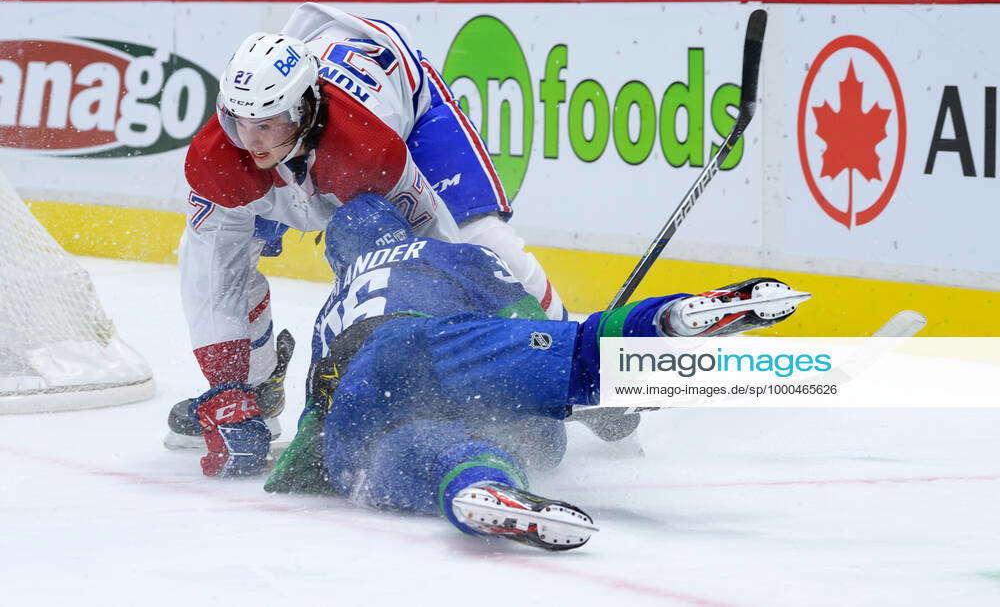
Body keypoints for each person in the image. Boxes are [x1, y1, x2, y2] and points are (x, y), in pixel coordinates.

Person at [187, 195, 810, 551]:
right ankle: (665, 323)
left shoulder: (339, 294)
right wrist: (582, 395)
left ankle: (474, 485)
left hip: (362, 371)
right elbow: (525, 321)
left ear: (340, 251)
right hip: (442, 340)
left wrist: (328, 463)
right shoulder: (458, 253)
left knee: (399, 452)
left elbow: (320, 415)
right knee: (580, 360)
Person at [169, 3, 566, 448]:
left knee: (482, 240)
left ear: (301, 111)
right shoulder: (219, 160)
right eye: (237, 122)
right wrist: (227, 387)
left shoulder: (368, 148)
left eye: (264, 124)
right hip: (319, 150)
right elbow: (212, 274)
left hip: (413, 112)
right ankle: (257, 391)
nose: (248, 141)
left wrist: (482, 341)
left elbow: (440, 246)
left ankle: (561, 349)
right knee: (230, 256)